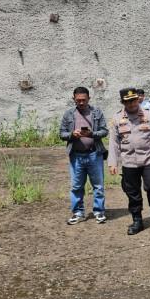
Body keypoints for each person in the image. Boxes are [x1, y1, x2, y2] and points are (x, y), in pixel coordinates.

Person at [108, 88, 150, 235]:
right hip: (129, 161)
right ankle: (137, 220)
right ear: (123, 102)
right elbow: (113, 142)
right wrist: (113, 162)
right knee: (132, 192)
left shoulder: (149, 114)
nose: (132, 104)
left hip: (148, 159)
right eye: (128, 102)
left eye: (134, 100)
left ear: (137, 100)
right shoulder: (117, 118)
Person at [59, 87, 109, 225]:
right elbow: (62, 133)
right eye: (78, 100)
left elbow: (105, 131)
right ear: (73, 99)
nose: (81, 102)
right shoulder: (69, 114)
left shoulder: (97, 112)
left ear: (89, 99)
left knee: (98, 186)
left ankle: (99, 211)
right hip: (76, 156)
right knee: (76, 186)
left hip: (94, 154)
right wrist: (71, 135)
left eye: (84, 100)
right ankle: (78, 212)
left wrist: (92, 134)